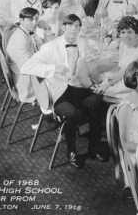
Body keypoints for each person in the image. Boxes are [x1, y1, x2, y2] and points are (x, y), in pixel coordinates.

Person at [21, 14, 108, 168]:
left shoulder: (83, 43)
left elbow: (89, 64)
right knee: (73, 113)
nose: (74, 29)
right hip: (59, 93)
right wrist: (53, 68)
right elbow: (26, 67)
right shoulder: (50, 47)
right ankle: (71, 151)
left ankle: (93, 147)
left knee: (97, 101)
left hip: (78, 88)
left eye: (77, 26)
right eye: (70, 25)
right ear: (63, 27)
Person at [5, 7, 41, 103]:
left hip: (25, 74)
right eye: (31, 19)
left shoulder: (23, 32)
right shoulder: (19, 39)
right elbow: (28, 66)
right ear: (21, 20)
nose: (35, 22)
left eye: (36, 19)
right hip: (26, 83)